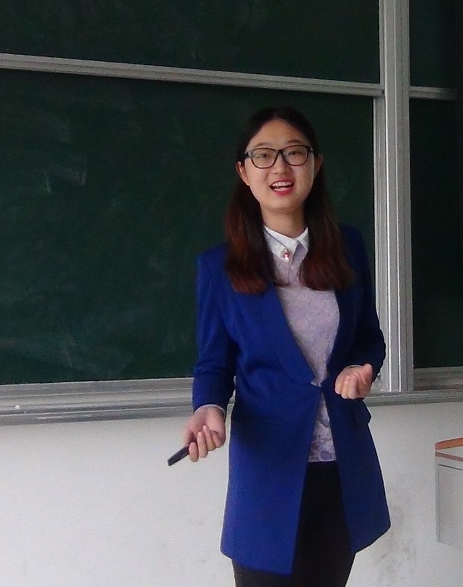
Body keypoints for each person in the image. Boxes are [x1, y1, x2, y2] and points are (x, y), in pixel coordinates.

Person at [181, 105, 390, 586]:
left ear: (315, 164)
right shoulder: (219, 268)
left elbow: (368, 338)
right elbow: (214, 363)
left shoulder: (348, 248)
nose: (280, 167)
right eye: (264, 155)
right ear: (244, 172)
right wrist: (208, 407)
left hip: (341, 464)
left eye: (295, 153)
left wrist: (363, 368)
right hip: (268, 472)